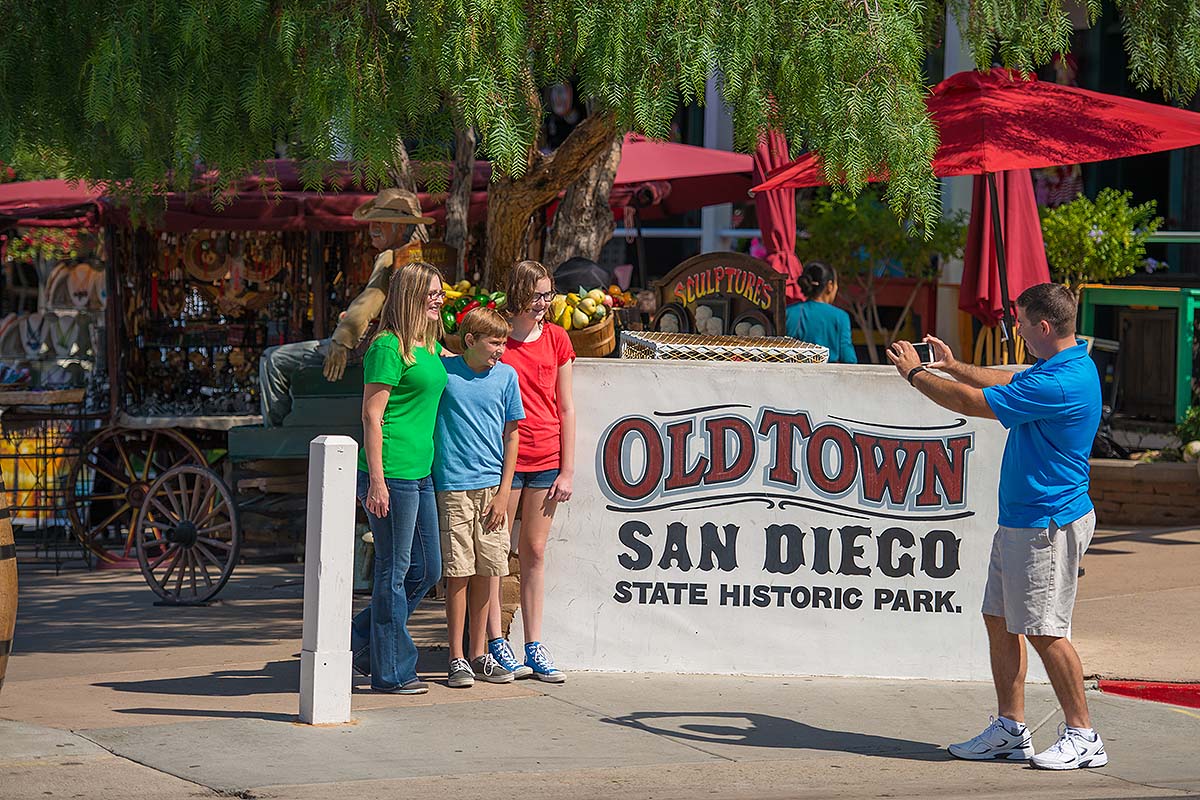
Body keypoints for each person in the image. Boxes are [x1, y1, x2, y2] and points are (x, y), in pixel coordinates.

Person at [887, 283, 1105, 770]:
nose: (1019, 331)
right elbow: (1008, 378)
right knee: (1001, 619)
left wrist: (915, 374)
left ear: (1043, 327)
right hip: (1024, 520)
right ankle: (1010, 729)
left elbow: (973, 404)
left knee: (1045, 630)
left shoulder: (1061, 382)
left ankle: (1084, 735)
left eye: (1022, 324)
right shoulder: (1067, 362)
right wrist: (952, 364)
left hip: (1048, 522)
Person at [350, 260, 448, 694]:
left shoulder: (426, 345)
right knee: (394, 570)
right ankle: (390, 671)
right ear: (410, 296)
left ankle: (358, 640)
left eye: (441, 292)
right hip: (391, 472)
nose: (440, 299)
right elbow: (372, 416)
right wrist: (376, 481)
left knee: (427, 569)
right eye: (432, 293)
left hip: (421, 471)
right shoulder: (388, 347)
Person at [258, 188, 434, 426]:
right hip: (393, 342)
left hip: (365, 346)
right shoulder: (419, 258)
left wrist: (342, 339)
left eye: (381, 222)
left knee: (273, 358)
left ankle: (275, 430)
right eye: (372, 222)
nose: (373, 229)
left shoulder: (391, 257)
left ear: (401, 227)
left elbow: (372, 298)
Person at [485, 260, 575, 683]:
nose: (544, 303)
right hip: (502, 457)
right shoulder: (498, 336)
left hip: (545, 457)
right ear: (518, 293)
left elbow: (566, 404)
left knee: (534, 551)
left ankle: (533, 642)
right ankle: (493, 639)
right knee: (495, 550)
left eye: (548, 295)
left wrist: (567, 467)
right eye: (537, 295)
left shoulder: (557, 338)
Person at [434, 308, 525, 688]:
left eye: (504, 342)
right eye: (494, 342)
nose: (501, 350)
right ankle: (455, 656)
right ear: (469, 340)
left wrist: (505, 493)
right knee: (458, 572)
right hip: (453, 486)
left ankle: (479, 652)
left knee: (489, 569)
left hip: (492, 489)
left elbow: (513, 434)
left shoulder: (506, 376)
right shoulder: (446, 373)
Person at [785, 262, 857, 363]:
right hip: (828, 377)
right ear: (830, 286)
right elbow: (849, 359)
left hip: (792, 376)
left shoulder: (788, 313)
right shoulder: (840, 317)